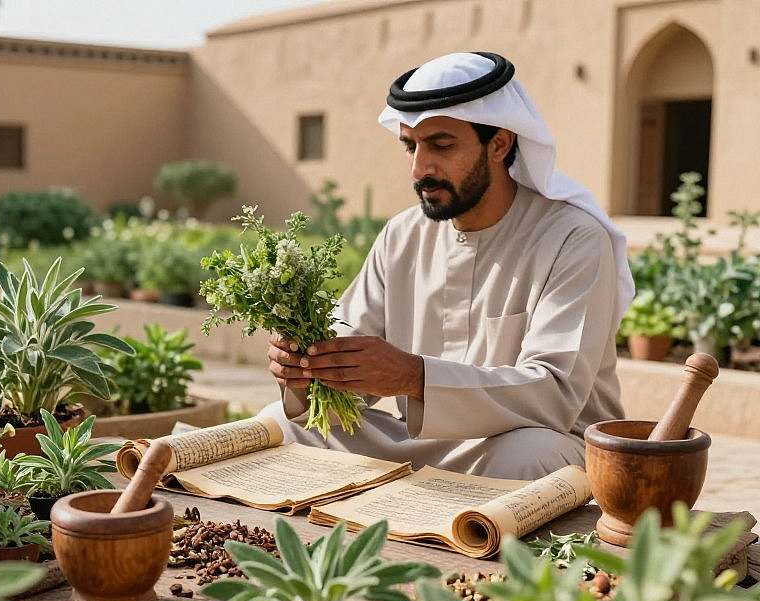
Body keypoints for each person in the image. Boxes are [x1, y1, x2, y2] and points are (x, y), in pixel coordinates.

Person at [258, 51, 633, 480]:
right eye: (410, 146)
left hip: (529, 444)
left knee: (530, 457)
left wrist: (413, 377)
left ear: (499, 143)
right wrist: (308, 370)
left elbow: (555, 394)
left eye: (441, 144)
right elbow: (351, 359)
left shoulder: (572, 238)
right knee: (286, 424)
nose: (420, 168)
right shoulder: (402, 234)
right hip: (419, 443)